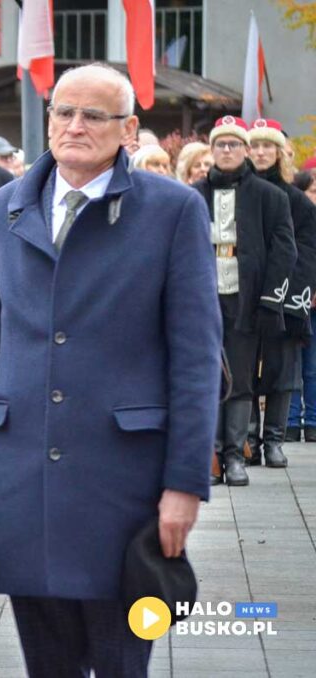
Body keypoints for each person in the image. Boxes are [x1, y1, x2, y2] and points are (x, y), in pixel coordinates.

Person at [0, 64, 222, 677]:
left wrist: (185, 483)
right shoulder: (5, 208)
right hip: (22, 472)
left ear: (129, 129)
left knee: (120, 662)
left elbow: (196, 357)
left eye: (94, 115)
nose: (75, 126)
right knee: (46, 666)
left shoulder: (173, 211)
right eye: (63, 112)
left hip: (122, 482)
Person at [195, 115, 295, 486]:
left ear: (245, 150)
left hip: (246, 295)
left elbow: (285, 249)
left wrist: (272, 299)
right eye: (220, 144)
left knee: (239, 376)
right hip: (202, 294)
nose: (226, 150)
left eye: (234, 144)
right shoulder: (193, 193)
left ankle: (235, 455)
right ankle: (211, 454)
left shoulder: (270, 196)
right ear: (212, 149)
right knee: (204, 374)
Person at [248, 118, 316, 463]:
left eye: (267, 145)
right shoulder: (237, 195)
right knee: (244, 370)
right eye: (254, 145)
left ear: (279, 152)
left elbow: (306, 255)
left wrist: (288, 299)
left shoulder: (298, 202)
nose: (260, 152)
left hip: (285, 300)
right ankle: (247, 440)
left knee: (282, 369)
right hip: (243, 300)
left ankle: (273, 440)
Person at [289, 168, 316, 441]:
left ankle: (313, 422)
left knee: (313, 368)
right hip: (297, 299)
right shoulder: (297, 218)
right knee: (293, 365)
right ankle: (290, 421)